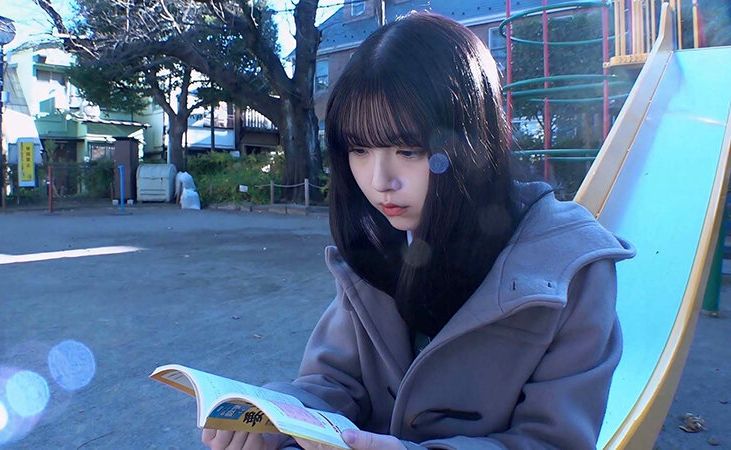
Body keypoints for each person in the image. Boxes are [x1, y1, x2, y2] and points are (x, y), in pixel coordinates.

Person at [202, 12, 635, 450]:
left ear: (473, 140)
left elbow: (553, 440)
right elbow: (335, 382)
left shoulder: (573, 269)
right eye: (359, 149)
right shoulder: (375, 245)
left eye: (408, 150)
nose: (379, 181)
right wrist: (278, 414)